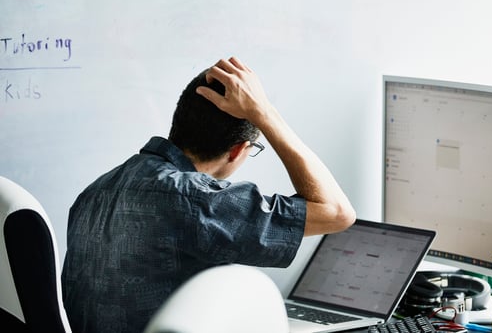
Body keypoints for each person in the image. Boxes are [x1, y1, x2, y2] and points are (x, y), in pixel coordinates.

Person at [61, 56, 356, 333]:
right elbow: (337, 212)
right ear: (239, 150)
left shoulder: (96, 191)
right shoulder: (194, 201)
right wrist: (265, 114)